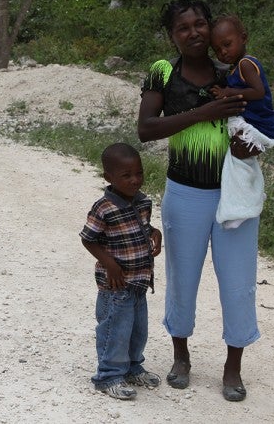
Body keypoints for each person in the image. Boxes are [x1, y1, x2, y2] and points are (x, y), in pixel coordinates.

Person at [137, 0, 260, 402]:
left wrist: (253, 145)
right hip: (185, 193)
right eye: (183, 27)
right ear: (171, 35)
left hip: (234, 195)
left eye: (200, 24)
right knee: (182, 278)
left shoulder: (235, 70)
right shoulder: (163, 73)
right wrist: (203, 111)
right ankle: (181, 357)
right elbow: (147, 129)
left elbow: (261, 122)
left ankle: (232, 367)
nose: (194, 33)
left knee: (239, 284)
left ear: (212, 28)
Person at [80, 143, 163, 400]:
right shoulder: (103, 208)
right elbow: (88, 239)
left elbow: (144, 228)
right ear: (109, 178)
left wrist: (155, 234)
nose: (134, 180)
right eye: (126, 176)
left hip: (139, 282)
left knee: (138, 330)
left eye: (139, 173)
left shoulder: (143, 202)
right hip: (115, 286)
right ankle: (109, 375)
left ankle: (132, 367)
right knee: (115, 329)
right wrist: (109, 263)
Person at [209, 15, 274, 229]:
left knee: (236, 163)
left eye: (227, 44)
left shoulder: (246, 64)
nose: (223, 52)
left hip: (259, 125)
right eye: (218, 50)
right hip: (255, 123)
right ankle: (244, 204)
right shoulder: (236, 67)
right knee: (240, 163)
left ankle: (241, 208)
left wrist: (229, 92)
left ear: (244, 38)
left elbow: (258, 92)